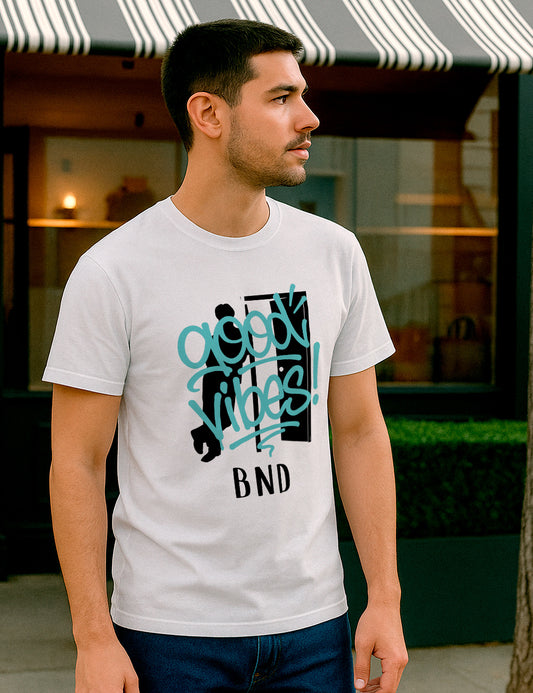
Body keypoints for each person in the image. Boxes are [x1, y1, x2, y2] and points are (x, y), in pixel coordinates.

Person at [46, 18, 407, 693]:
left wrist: (383, 597)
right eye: (280, 98)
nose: (308, 117)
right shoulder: (113, 272)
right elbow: (76, 462)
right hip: (168, 635)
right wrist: (93, 637)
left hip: (314, 627)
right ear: (208, 114)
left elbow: (360, 431)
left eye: (302, 95)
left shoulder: (334, 254)